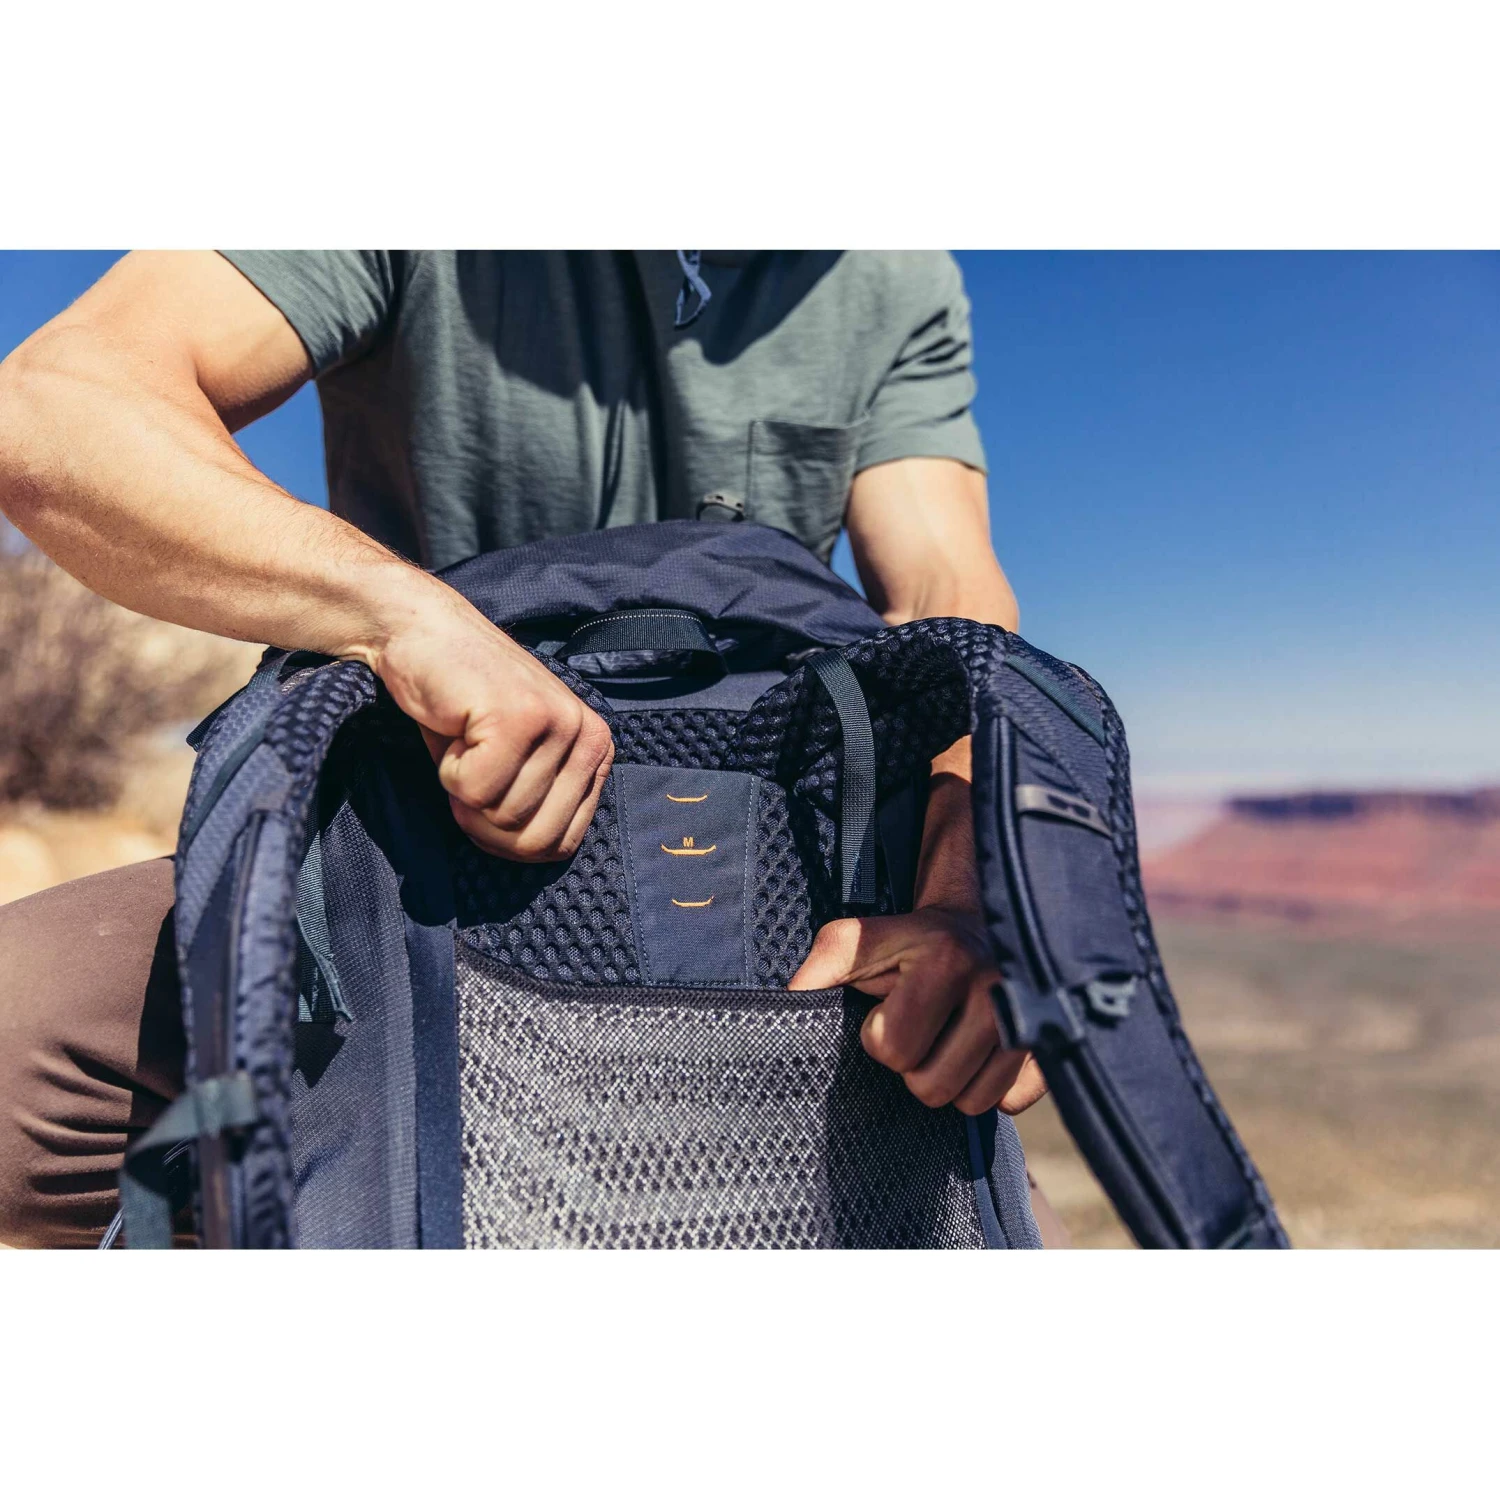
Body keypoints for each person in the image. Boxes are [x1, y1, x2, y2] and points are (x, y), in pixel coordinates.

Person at [0, 250, 1066, 1248]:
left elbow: (945, 589)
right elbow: (57, 406)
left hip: (784, 849)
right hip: (420, 826)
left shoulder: (894, 273)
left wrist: (971, 870)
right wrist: (404, 619)